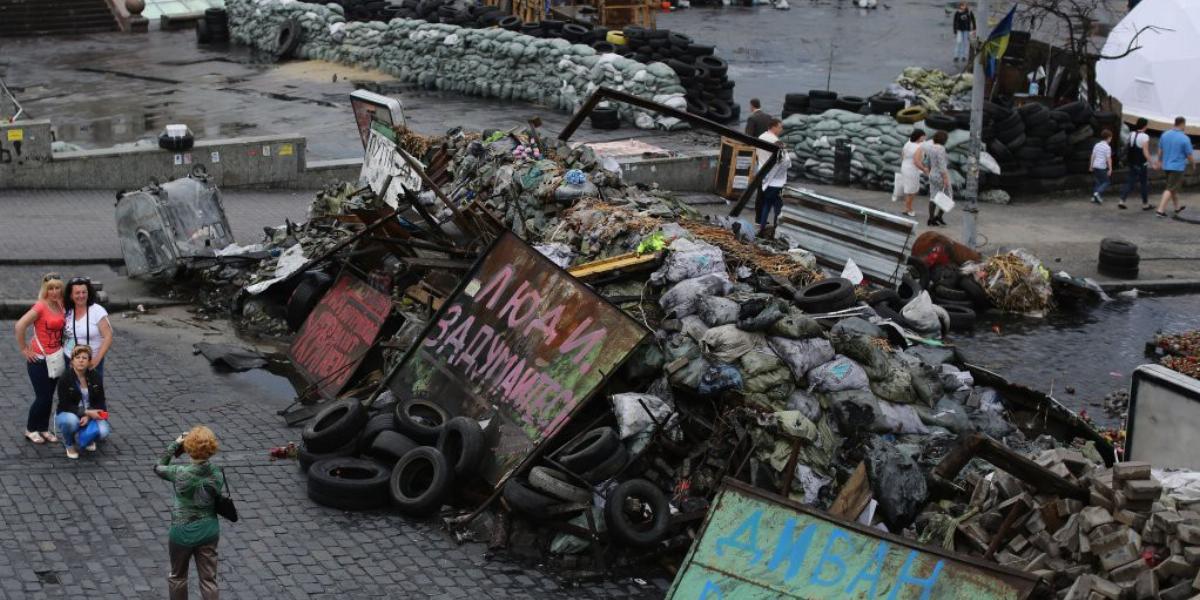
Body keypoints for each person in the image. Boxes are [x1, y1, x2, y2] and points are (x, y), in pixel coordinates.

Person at [156, 426, 226, 600]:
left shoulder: (179, 473)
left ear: (189, 448)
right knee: (209, 580)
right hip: (209, 530)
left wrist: (175, 444)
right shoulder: (217, 474)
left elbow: (158, 466)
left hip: (181, 532)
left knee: (178, 577)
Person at [14, 273, 66, 445]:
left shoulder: (60, 304)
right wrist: (23, 349)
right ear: (45, 290)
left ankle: (43, 428)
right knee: (42, 397)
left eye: (57, 287)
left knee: (49, 396)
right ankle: (30, 429)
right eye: (50, 288)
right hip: (38, 359)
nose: (54, 291)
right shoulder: (40, 307)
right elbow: (20, 325)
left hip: (55, 357)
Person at [55, 345, 109, 459]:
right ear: (72, 361)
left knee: (103, 431)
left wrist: (89, 416)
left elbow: (100, 402)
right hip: (69, 412)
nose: (80, 360)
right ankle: (69, 443)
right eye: (77, 357)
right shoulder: (65, 378)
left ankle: (86, 438)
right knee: (71, 422)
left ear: (89, 361)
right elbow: (65, 405)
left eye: (84, 358)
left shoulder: (95, 376)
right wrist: (86, 413)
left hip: (90, 413)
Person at [63, 276, 113, 381]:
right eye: (77, 293)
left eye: (84, 292)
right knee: (71, 394)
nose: (81, 296)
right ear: (71, 295)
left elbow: (108, 336)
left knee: (93, 394)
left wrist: (97, 360)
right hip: (70, 361)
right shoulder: (66, 311)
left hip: (92, 362)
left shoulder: (97, 311)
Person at [755, 119, 791, 233]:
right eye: (780, 127)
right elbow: (786, 163)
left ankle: (761, 224)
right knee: (777, 207)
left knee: (765, 203)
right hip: (775, 181)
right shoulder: (775, 141)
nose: (781, 130)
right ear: (773, 127)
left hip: (763, 174)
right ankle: (776, 228)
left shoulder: (761, 137)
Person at [1156, 116, 1196, 218]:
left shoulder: (1165, 134)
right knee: (1170, 188)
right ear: (1182, 124)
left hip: (1166, 165)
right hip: (1177, 167)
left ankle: (1177, 207)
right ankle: (1160, 210)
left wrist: (1159, 161)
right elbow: (1189, 155)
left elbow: (1160, 150)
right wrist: (1193, 164)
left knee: (1172, 187)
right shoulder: (1184, 138)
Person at [917, 130, 952, 226]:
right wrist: (945, 178)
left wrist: (928, 171)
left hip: (932, 174)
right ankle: (939, 216)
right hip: (941, 175)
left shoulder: (931, 148)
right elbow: (942, 165)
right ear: (944, 140)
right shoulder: (941, 149)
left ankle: (931, 219)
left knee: (933, 197)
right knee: (947, 196)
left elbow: (926, 162)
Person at [1119, 118, 1153, 210]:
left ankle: (1122, 200)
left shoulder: (1132, 134)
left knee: (1130, 181)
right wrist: (1152, 162)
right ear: (1145, 126)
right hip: (1141, 163)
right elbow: (1145, 152)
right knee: (1143, 184)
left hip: (1132, 162)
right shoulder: (1145, 137)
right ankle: (1145, 204)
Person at [898, 129, 927, 217]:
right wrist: (924, 169)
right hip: (912, 169)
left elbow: (902, 155)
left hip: (905, 166)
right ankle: (908, 209)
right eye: (923, 136)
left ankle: (908, 208)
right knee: (912, 190)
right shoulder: (918, 147)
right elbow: (916, 161)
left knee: (909, 189)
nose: (925, 138)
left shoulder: (908, 143)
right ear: (919, 137)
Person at [1090, 129, 1114, 204]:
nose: (1111, 139)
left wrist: (1091, 165)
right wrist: (1110, 169)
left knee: (1098, 182)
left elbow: (1093, 155)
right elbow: (1108, 159)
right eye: (1111, 138)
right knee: (1106, 182)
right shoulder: (1107, 147)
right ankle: (1097, 193)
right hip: (1101, 167)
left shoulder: (1096, 145)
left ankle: (1094, 198)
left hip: (1095, 166)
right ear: (1108, 137)